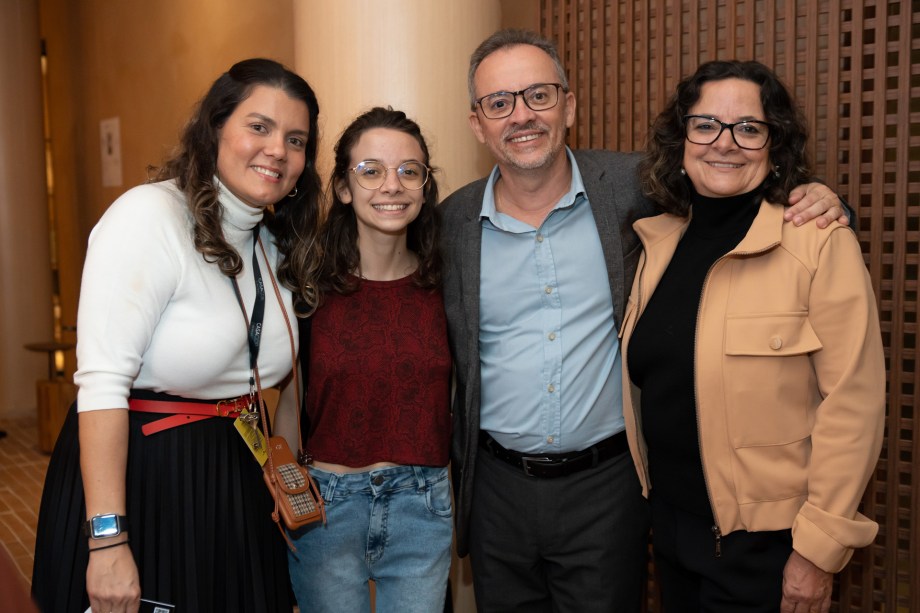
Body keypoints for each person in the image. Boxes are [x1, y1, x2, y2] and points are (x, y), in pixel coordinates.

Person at [440, 29, 850, 613]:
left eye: (539, 95)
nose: (522, 116)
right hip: (496, 493)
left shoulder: (636, 187)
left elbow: (736, 179)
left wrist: (823, 200)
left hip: (607, 489)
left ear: (570, 105)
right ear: (478, 124)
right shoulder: (450, 222)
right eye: (499, 103)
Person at [31, 58, 323, 613]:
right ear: (215, 128)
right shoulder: (148, 218)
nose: (278, 150)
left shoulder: (275, 243)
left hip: (231, 477)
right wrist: (109, 539)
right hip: (143, 480)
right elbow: (100, 387)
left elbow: (278, 374)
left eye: (295, 139)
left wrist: (289, 473)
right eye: (258, 127)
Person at [621, 59, 885, 612]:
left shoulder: (816, 242)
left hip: (769, 546)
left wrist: (817, 551)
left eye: (748, 128)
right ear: (681, 138)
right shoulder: (658, 243)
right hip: (669, 529)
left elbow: (853, 404)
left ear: (774, 144)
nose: (725, 143)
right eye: (705, 124)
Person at [287, 107, 452, 612]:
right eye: (371, 171)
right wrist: (287, 491)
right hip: (327, 504)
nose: (392, 186)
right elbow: (290, 399)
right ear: (343, 187)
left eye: (409, 171)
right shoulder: (307, 285)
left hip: (423, 503)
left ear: (424, 186)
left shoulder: (448, 283)